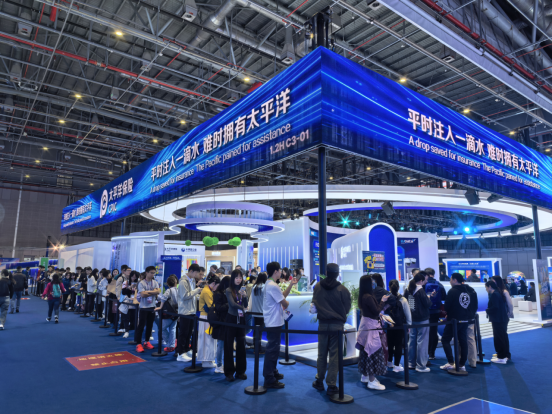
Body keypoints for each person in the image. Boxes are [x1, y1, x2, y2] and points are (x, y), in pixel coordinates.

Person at [312, 263, 352, 395]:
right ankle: (331, 385)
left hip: (323, 325)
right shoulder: (343, 290)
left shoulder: (318, 286)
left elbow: (314, 302)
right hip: (337, 326)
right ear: (337, 273)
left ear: (326, 272)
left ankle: (319, 381)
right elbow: (347, 308)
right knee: (335, 356)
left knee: (321, 354)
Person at [262, 261, 299, 389]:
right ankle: (269, 378)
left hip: (273, 321)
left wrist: (291, 284)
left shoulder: (270, 284)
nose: (281, 273)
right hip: (273, 321)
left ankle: (273, 372)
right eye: (279, 270)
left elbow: (282, 296)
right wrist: (287, 303)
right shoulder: (273, 285)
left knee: (274, 349)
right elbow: (285, 303)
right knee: (272, 349)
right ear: (276, 271)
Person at [356, 274, 389, 391]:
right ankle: (371, 380)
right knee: (372, 352)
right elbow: (376, 311)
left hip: (366, 326)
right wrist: (383, 301)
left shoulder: (363, 296)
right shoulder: (368, 297)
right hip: (371, 328)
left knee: (366, 351)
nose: (373, 283)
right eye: (371, 281)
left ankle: (365, 376)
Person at [440, 273, 477, 371]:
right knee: (463, 341)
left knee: (445, 340)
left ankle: (451, 362)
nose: (450, 281)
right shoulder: (469, 290)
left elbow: (447, 306)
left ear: (455, 280)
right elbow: (473, 305)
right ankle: (461, 364)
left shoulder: (452, 291)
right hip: (465, 319)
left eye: (451, 279)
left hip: (454, 320)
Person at [403, 271, 433, 372]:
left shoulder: (408, 289)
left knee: (411, 341)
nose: (425, 282)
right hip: (422, 319)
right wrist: (429, 298)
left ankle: (410, 363)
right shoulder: (420, 290)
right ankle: (421, 366)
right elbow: (427, 304)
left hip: (411, 319)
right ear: (420, 281)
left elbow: (408, 303)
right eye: (424, 280)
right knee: (422, 342)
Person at [224, 270, 249, 382]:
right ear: (233, 278)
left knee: (241, 345)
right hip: (231, 318)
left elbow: (246, 304)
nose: (239, 280)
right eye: (236, 277)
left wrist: (245, 297)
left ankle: (240, 371)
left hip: (241, 319)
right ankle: (229, 372)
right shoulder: (229, 290)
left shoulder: (242, 290)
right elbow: (232, 304)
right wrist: (242, 308)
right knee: (229, 346)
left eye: (240, 277)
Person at [176, 263, 202, 361]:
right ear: (191, 271)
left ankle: (186, 349)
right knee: (183, 333)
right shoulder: (183, 281)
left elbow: (192, 295)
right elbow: (185, 296)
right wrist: (197, 291)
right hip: (185, 311)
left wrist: (198, 295)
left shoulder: (192, 280)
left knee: (189, 332)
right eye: (196, 273)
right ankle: (180, 353)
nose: (197, 275)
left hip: (192, 310)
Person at [386, 279, 412, 372]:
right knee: (398, 344)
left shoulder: (386, 298)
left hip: (389, 325)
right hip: (400, 325)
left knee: (390, 343)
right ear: (398, 287)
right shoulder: (403, 299)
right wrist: (409, 325)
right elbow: (408, 314)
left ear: (389, 287)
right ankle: (397, 365)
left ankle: (389, 361)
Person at [135, 266, 160, 353]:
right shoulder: (141, 283)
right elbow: (142, 295)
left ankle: (146, 342)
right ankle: (138, 343)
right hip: (143, 307)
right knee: (141, 326)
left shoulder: (155, 282)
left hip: (152, 306)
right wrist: (153, 292)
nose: (153, 274)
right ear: (146, 273)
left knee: (150, 325)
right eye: (151, 272)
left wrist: (148, 292)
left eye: (154, 273)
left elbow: (158, 291)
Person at [424, 267, 447, 360]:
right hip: (436, 311)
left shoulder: (423, 284)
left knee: (424, 332)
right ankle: (432, 353)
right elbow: (444, 297)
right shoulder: (439, 284)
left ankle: (424, 353)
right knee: (434, 331)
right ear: (433, 274)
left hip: (425, 311)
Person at [198, 274, 220, 368]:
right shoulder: (207, 291)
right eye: (217, 286)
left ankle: (207, 359)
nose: (217, 288)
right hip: (206, 317)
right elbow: (211, 306)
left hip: (206, 317)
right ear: (214, 283)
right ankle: (207, 360)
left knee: (207, 339)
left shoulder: (207, 290)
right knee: (207, 339)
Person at [485, 280, 510, 364]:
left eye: (486, 287)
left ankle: (501, 357)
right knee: (502, 337)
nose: (486, 289)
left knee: (499, 337)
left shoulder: (494, 294)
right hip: (501, 319)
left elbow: (495, 307)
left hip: (498, 319)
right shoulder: (498, 293)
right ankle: (503, 355)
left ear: (489, 286)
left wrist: (488, 310)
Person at [155, 275, 179, 352]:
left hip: (168, 313)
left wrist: (160, 307)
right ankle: (171, 345)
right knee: (173, 329)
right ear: (176, 283)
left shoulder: (169, 290)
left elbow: (163, 298)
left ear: (168, 283)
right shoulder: (178, 290)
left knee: (162, 328)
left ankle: (170, 344)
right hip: (176, 312)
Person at [212, 276, 230, 374]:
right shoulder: (219, 294)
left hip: (225, 321)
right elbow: (218, 308)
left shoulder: (223, 293)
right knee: (221, 344)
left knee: (223, 344)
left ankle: (221, 364)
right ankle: (218, 365)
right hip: (221, 321)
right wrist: (229, 304)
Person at [250, 272, 267, 351]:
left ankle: (256, 347)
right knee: (259, 332)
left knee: (256, 331)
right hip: (262, 312)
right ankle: (258, 349)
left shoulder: (254, 287)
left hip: (255, 312)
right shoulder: (264, 287)